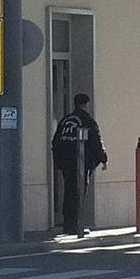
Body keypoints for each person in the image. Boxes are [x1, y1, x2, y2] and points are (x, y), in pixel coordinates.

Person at [51, 94, 108, 235]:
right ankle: (76, 226)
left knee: (69, 191)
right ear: (86, 105)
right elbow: (95, 142)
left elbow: (55, 142)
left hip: (66, 162)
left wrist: (58, 161)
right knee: (78, 193)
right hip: (81, 162)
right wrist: (103, 158)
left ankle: (68, 224)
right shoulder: (87, 121)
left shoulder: (65, 121)